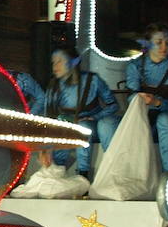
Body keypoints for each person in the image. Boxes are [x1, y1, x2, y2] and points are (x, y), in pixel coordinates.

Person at [39, 47, 118, 180]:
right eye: (53, 62)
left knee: (85, 125)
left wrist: (96, 117)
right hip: (70, 126)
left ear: (73, 62)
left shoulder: (92, 80)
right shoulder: (53, 87)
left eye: (59, 61)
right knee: (65, 127)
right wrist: (44, 148)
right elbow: (48, 119)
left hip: (92, 124)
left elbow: (113, 104)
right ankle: (59, 171)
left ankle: (84, 174)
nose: (55, 66)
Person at [123, 23, 168, 174]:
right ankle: (136, 176)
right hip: (146, 122)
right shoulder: (135, 66)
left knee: (163, 119)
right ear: (148, 44)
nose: (164, 47)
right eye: (159, 42)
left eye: (167, 42)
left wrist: (158, 103)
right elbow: (130, 98)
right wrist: (138, 98)